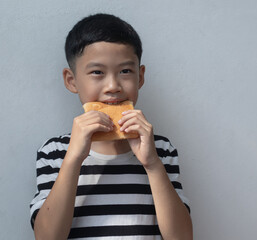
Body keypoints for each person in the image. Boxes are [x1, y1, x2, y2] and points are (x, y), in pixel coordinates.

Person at [29, 13, 192, 240]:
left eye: (125, 71)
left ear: (140, 76)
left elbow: (182, 237)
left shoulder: (161, 149)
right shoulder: (54, 152)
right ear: (71, 80)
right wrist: (74, 158)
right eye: (97, 72)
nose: (113, 86)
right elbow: (46, 237)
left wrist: (153, 163)